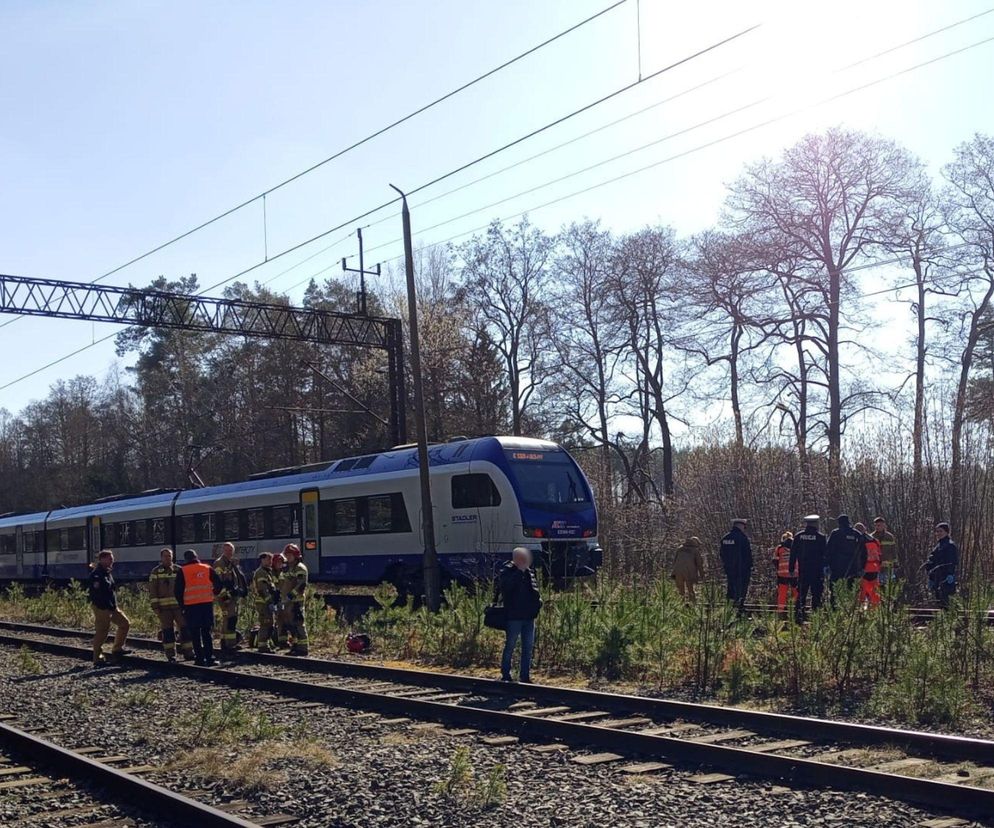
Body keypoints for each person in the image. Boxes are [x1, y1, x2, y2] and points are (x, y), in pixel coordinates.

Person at [499, 546, 542, 683]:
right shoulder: (507, 571)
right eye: (523, 558)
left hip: (529, 617)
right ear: (516, 559)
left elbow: (535, 591)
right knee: (510, 645)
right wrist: (519, 573)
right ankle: (506, 673)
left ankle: (525, 675)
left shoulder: (530, 572)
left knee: (528, 647)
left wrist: (538, 603)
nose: (526, 561)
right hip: (514, 617)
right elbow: (507, 589)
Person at [174, 548, 222, 666]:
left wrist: (182, 605)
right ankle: (210, 658)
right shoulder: (207, 568)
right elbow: (219, 583)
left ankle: (199, 659)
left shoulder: (182, 571)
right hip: (206, 604)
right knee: (207, 632)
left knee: (195, 633)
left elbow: (177, 591)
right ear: (197, 557)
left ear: (186, 559)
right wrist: (213, 593)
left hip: (191, 606)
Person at [148, 547, 193, 662]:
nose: (167, 558)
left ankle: (188, 652)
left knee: (185, 628)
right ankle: (171, 654)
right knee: (168, 631)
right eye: (165, 556)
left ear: (172, 557)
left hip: (179, 607)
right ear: (161, 557)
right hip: (164, 609)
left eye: (169, 556)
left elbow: (186, 587)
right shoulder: (156, 572)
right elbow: (153, 591)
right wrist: (155, 607)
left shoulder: (179, 570)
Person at [88, 549, 130, 667]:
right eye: (110, 558)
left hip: (112, 607)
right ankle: (97, 657)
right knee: (102, 632)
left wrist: (113, 606)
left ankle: (117, 648)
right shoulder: (97, 574)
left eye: (112, 558)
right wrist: (103, 607)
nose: (112, 560)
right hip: (102, 608)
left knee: (125, 624)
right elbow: (96, 594)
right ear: (102, 559)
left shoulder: (107, 572)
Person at [213, 542, 248, 655]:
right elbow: (219, 582)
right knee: (230, 619)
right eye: (227, 550)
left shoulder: (231, 563)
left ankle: (225, 642)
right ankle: (230, 644)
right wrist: (225, 597)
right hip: (226, 597)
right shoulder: (219, 563)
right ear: (223, 551)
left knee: (228, 619)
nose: (229, 552)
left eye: (231, 550)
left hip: (232, 596)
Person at [790, 515, 826, 622]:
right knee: (816, 595)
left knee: (801, 594)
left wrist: (791, 569)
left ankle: (798, 617)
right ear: (815, 524)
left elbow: (793, 554)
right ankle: (816, 619)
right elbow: (825, 555)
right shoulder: (821, 537)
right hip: (817, 572)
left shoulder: (799, 536)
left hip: (803, 571)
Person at [826, 514, 866, 607]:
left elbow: (828, 550)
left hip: (837, 568)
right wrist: (862, 567)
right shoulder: (856, 534)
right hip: (853, 568)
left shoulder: (835, 533)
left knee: (835, 591)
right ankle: (850, 611)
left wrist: (827, 565)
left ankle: (834, 611)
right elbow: (864, 553)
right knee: (851, 591)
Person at [279, 544, 309, 656]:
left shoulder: (300, 568)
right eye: (286, 554)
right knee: (291, 624)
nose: (288, 556)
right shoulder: (289, 568)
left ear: (295, 555)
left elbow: (301, 585)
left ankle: (303, 648)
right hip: (288, 602)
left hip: (296, 601)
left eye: (289, 554)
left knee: (299, 623)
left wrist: (290, 596)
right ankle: (295, 646)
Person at [719, 519, 752, 612]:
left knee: (730, 588)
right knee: (740, 589)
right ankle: (739, 609)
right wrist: (749, 566)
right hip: (742, 569)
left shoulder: (725, 538)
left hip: (729, 569)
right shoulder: (742, 538)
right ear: (741, 526)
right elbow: (747, 554)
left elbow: (722, 554)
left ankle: (729, 609)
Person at [924, 522, 958, 608]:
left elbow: (952, 561)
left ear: (946, 532)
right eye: (937, 531)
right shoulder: (938, 546)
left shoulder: (950, 545)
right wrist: (930, 575)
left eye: (940, 531)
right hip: (937, 577)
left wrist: (950, 574)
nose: (938, 533)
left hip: (945, 577)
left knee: (946, 601)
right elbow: (932, 560)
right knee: (938, 601)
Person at [251, 552, 279, 653]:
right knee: (265, 624)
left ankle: (265, 645)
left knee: (270, 624)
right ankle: (262, 646)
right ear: (262, 560)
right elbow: (262, 590)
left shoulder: (267, 572)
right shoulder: (261, 573)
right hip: (263, 603)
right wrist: (270, 602)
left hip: (266, 603)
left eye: (271, 560)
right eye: (268, 559)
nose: (270, 562)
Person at [854, 523, 882, 607]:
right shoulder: (874, 540)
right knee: (874, 593)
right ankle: (875, 612)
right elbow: (880, 554)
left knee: (861, 593)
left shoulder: (858, 540)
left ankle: (860, 613)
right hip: (874, 569)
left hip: (863, 570)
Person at [671, 536, 705, 602]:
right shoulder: (695, 551)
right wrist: (702, 575)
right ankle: (693, 607)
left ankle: (680, 607)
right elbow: (699, 564)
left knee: (681, 591)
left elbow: (674, 561)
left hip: (677, 571)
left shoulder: (680, 548)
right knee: (691, 590)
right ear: (696, 543)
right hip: (689, 572)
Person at [773, 531, 798, 616]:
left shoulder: (779, 548)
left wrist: (779, 569)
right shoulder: (796, 546)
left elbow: (775, 561)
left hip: (782, 574)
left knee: (782, 593)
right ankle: (796, 609)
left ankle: (780, 611)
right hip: (795, 573)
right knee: (796, 592)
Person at [873, 516, 899, 585]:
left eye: (879, 525)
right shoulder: (872, 537)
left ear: (883, 525)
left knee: (887, 586)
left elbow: (893, 551)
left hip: (888, 568)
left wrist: (895, 563)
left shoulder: (889, 537)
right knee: (877, 586)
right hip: (876, 567)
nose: (877, 527)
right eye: (875, 525)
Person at [272, 552, 288, 649]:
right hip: (277, 599)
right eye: (278, 562)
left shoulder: (284, 572)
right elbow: (276, 586)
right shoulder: (272, 573)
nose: (280, 564)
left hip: (284, 599)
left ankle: (284, 640)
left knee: (285, 620)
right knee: (280, 620)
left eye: (281, 562)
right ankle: (281, 641)